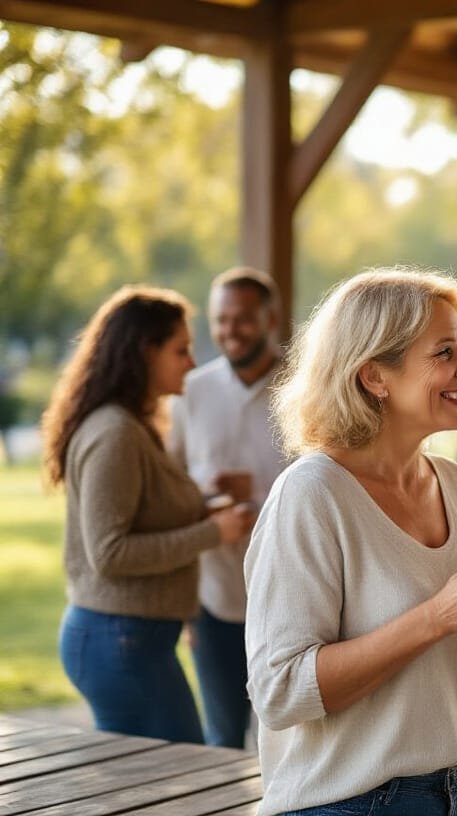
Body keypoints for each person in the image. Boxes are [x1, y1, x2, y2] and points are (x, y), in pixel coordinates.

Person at [245, 268, 457, 816]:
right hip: (351, 804)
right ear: (374, 377)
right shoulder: (312, 493)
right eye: (443, 354)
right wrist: (439, 615)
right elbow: (281, 691)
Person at [41, 286, 254, 743]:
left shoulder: (133, 427)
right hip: (118, 641)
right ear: (145, 352)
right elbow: (110, 553)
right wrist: (211, 532)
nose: (193, 363)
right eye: (181, 350)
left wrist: (202, 501)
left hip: (133, 640)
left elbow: (144, 512)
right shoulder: (115, 433)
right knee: (184, 780)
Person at [168, 267, 289, 748]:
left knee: (288, 738)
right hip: (214, 597)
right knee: (222, 738)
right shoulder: (191, 392)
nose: (229, 331)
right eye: (221, 320)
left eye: (241, 319)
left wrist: (259, 503)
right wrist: (202, 496)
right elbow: (170, 488)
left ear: (270, 318)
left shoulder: (303, 387)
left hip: (291, 595)